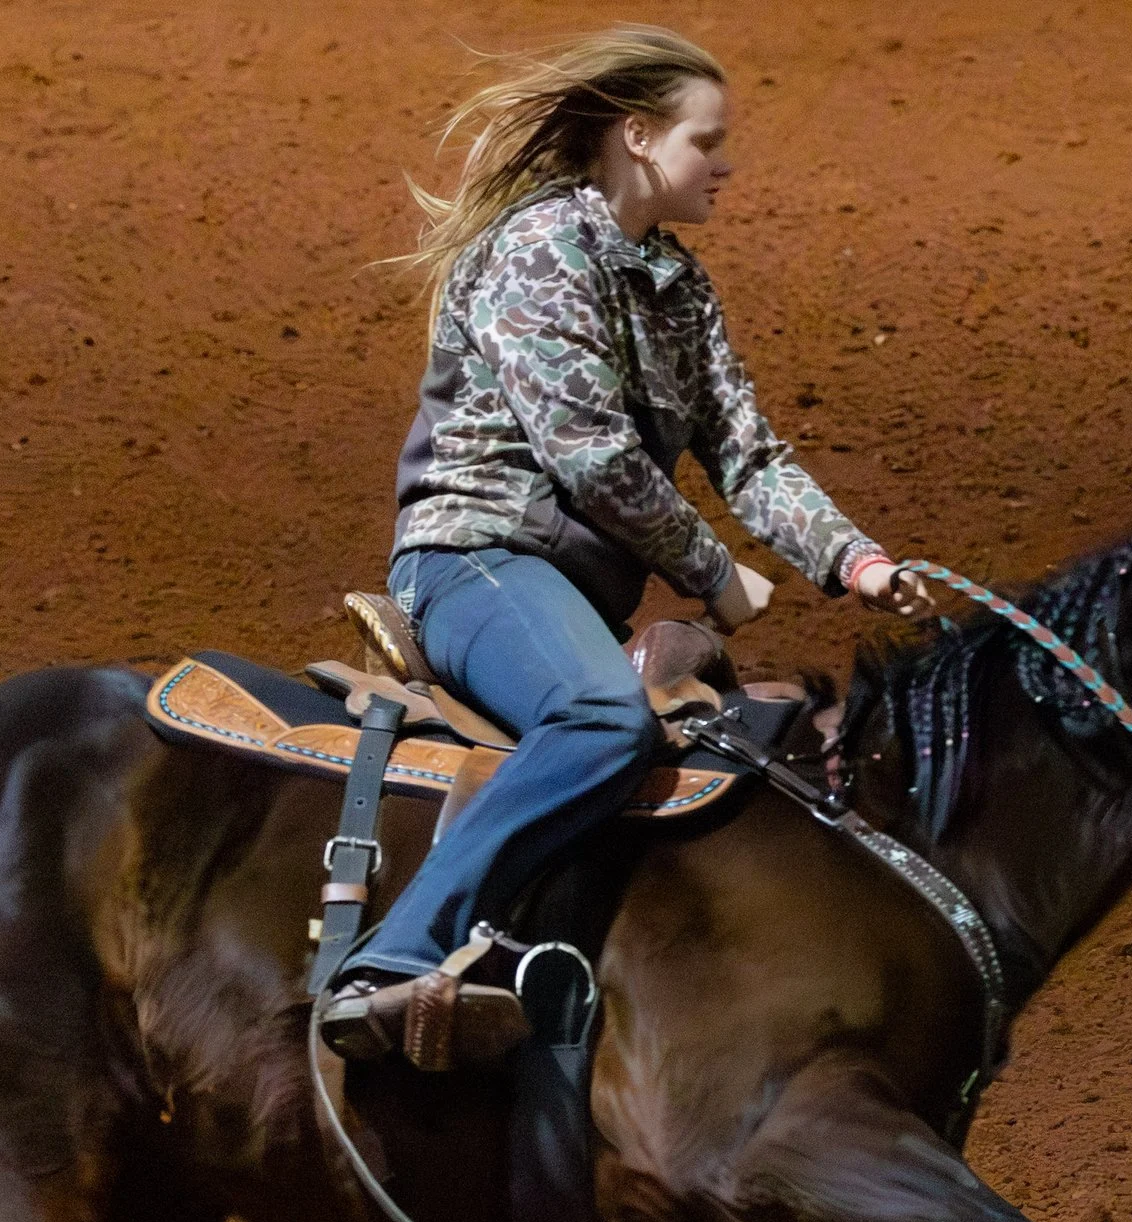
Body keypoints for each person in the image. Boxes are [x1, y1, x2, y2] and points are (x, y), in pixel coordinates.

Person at [319, 24, 937, 1067]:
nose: (726, 165)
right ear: (639, 137)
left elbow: (748, 453)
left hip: (556, 589)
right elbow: (591, 456)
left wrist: (855, 560)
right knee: (601, 718)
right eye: (708, 141)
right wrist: (714, 573)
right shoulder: (536, 252)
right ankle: (392, 958)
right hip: (473, 560)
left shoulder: (679, 287)